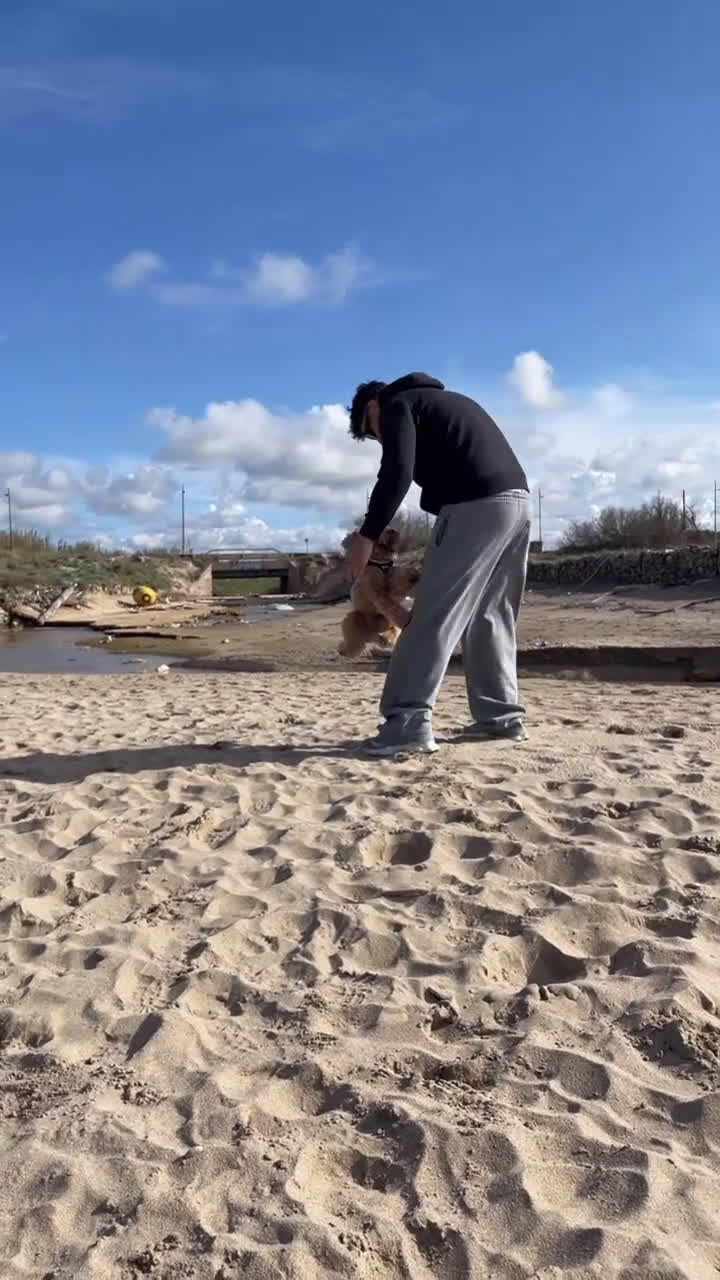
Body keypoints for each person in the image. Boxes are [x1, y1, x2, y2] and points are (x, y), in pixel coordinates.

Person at [344, 372, 530, 756]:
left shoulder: (398, 404)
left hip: (476, 506)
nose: (379, 439)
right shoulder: (447, 403)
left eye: (371, 430)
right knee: (490, 614)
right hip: (517, 504)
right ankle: (501, 720)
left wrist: (366, 536)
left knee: (432, 613)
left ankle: (406, 723)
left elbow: (395, 474)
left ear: (374, 406)